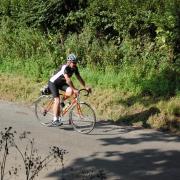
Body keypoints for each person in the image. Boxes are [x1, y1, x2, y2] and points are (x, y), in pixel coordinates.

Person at [48, 53, 91, 126]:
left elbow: (79, 78)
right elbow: (68, 80)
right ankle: (55, 120)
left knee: (70, 91)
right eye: (73, 62)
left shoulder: (75, 68)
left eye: (76, 62)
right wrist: (74, 89)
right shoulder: (65, 67)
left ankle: (62, 101)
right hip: (53, 83)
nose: (75, 64)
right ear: (69, 62)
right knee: (57, 100)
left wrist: (85, 86)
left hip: (61, 83)